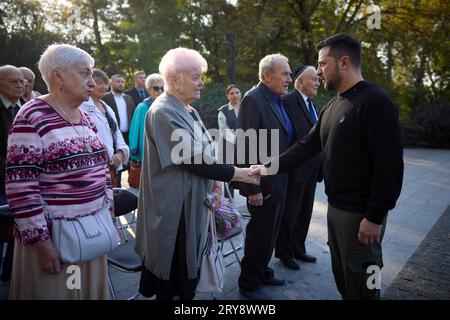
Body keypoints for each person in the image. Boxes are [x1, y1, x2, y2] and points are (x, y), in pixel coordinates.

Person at [250, 34, 404, 300]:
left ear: (344, 62)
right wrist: (266, 168)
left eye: (322, 64)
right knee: (345, 282)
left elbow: (389, 166)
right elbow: (306, 146)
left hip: (360, 217)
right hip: (336, 210)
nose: (319, 72)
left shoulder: (376, 103)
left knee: (365, 284)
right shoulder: (333, 105)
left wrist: (376, 216)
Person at [135, 47, 259, 301]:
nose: (201, 82)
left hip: (191, 205)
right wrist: (241, 174)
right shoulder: (164, 111)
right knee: (173, 278)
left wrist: (215, 184)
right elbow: (195, 160)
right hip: (174, 211)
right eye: (195, 76)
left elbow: (208, 151)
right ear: (175, 78)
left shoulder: (188, 109)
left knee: (185, 275)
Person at [5, 44, 114, 299]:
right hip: (57, 242)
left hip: (91, 235)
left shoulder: (85, 115)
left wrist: (107, 212)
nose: (92, 81)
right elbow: (21, 187)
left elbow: (102, 170)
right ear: (59, 76)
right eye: (85, 73)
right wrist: (42, 244)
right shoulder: (32, 116)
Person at [236, 54, 294, 300]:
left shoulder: (276, 98)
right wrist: (253, 189)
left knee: (270, 232)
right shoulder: (253, 99)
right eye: (285, 74)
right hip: (263, 184)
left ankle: (262, 271)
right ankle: (248, 282)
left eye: (289, 74)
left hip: (279, 179)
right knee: (260, 234)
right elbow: (245, 146)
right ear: (268, 75)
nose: (289, 79)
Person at [275, 65, 322, 270]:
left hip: (311, 170)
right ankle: (285, 253)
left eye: (318, 80)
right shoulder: (287, 101)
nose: (317, 83)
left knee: (305, 211)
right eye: (313, 79)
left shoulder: (312, 104)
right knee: (290, 213)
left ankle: (299, 249)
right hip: (294, 170)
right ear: (300, 81)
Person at [81, 69, 130, 187]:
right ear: (90, 83)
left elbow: (117, 134)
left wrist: (120, 152)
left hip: (112, 168)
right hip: (94, 169)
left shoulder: (108, 108)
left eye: (105, 83)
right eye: (99, 83)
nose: (103, 86)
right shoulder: (81, 107)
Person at [0, 65, 25, 282]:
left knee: (19, 234)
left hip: (25, 183)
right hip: (3, 183)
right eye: (13, 81)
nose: (20, 85)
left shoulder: (28, 108)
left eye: (22, 81)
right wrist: (15, 172)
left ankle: (10, 276)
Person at [128, 73, 164, 188]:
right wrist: (134, 153)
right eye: (156, 88)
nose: (160, 91)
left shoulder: (165, 106)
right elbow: (134, 131)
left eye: (162, 88)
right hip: (146, 153)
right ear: (149, 89)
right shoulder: (143, 107)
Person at [217, 84, 241, 198]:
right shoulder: (223, 110)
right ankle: (229, 207)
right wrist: (237, 141)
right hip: (228, 147)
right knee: (229, 175)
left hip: (245, 146)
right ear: (227, 96)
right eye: (232, 93)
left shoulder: (246, 107)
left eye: (237, 92)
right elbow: (224, 129)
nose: (235, 95)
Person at [102, 74, 136, 145]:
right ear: (111, 83)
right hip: (112, 135)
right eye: (118, 82)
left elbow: (133, 115)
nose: (121, 84)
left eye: (122, 82)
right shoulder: (105, 98)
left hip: (128, 135)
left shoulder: (129, 98)